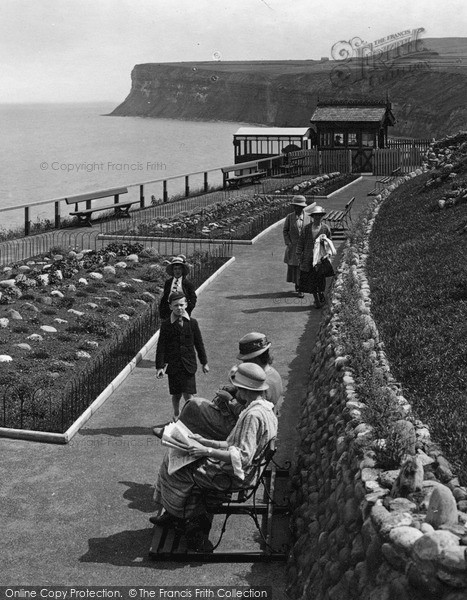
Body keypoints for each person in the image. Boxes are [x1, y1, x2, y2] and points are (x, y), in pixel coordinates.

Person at [150, 362, 278, 552]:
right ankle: (176, 514)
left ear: (245, 390)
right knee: (180, 456)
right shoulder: (265, 408)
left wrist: (206, 452)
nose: (237, 391)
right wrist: (205, 442)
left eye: (239, 388)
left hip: (235, 475)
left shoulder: (252, 415)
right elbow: (233, 444)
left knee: (175, 464)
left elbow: (242, 457)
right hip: (244, 470)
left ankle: (182, 518)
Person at [155, 291, 209, 421]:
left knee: (189, 394)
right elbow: (161, 346)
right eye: (175, 305)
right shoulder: (166, 325)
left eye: (181, 305)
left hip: (189, 364)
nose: (179, 308)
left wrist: (204, 362)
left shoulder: (193, 323)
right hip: (174, 366)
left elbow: (199, 343)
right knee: (176, 393)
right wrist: (160, 367)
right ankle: (176, 413)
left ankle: (191, 416)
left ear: (186, 305)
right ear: (170, 307)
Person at [236, 332, 283, 416]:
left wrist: (229, 400)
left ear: (255, 359)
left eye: (246, 360)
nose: (243, 364)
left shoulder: (260, 384)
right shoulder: (274, 374)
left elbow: (250, 413)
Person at [296, 205, 333, 309]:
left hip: (320, 259)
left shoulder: (325, 228)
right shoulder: (307, 228)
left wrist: (327, 253)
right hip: (308, 258)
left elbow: (330, 242)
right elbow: (301, 242)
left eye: (320, 216)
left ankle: (321, 293)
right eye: (316, 216)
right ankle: (316, 301)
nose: (318, 218)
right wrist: (299, 254)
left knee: (320, 279)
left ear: (322, 217)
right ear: (313, 217)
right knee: (311, 280)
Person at [283, 196, 312, 298]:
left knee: (303, 268)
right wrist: (288, 243)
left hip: (305, 247)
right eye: (296, 206)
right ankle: (299, 286)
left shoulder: (309, 217)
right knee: (296, 268)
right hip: (294, 247)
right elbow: (285, 231)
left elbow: (311, 231)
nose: (298, 209)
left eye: (300, 207)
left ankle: (300, 287)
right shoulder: (289, 217)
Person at [159, 255, 197, 320]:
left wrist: (188, 309)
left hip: (182, 310)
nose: (177, 271)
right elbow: (165, 297)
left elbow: (193, 298)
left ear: (182, 270)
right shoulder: (168, 283)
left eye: (179, 269)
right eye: (175, 269)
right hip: (169, 311)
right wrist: (162, 311)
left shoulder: (187, 284)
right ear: (172, 270)